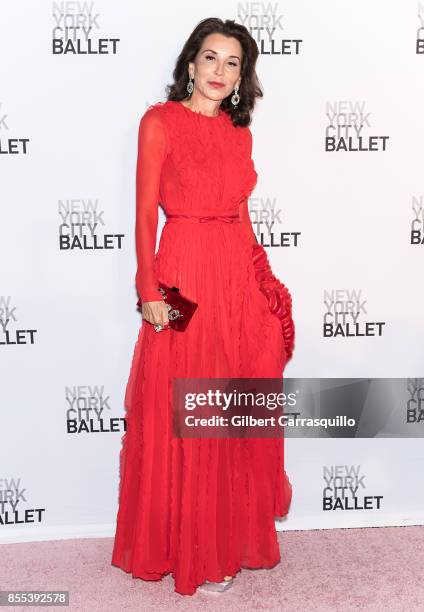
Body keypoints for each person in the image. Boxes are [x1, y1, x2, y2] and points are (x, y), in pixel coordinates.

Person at [111, 17, 295, 596]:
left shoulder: (240, 136)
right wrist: (149, 291)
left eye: (232, 63)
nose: (219, 71)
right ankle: (185, 551)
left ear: (243, 77)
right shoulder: (159, 123)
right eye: (210, 58)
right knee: (184, 411)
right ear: (190, 64)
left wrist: (264, 282)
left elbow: (240, 220)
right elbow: (144, 215)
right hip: (183, 277)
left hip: (232, 281)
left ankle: (221, 545)